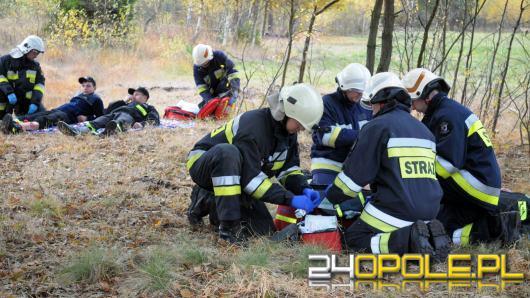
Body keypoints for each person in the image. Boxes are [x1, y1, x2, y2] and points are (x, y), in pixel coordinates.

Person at [325, 72, 451, 261]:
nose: (371, 110)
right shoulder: (425, 131)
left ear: (381, 101)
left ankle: (408, 241)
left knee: (353, 240)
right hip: (430, 211)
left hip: (397, 209)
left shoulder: (377, 127)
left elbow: (352, 180)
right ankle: (426, 238)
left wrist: (328, 198)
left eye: (372, 104)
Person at [186, 83, 323, 244]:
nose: (300, 129)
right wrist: (290, 199)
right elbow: (251, 181)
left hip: (239, 175)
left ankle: (214, 201)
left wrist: (303, 188)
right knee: (228, 153)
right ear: (286, 113)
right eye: (299, 124)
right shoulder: (254, 127)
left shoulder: (288, 133)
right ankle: (227, 225)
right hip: (204, 165)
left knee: (262, 231)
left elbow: (288, 169)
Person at [402, 68, 520, 246]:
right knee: (438, 218)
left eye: (412, 100)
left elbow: (447, 165)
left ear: (424, 95)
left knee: (434, 223)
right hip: (478, 184)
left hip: (476, 187)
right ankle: (485, 228)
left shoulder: (447, 117)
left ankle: (491, 231)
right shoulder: (443, 111)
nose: (411, 106)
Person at [274, 63, 372, 229]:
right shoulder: (326, 104)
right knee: (327, 204)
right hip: (329, 165)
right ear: (344, 87)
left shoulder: (364, 107)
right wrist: (363, 136)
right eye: (356, 90)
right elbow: (325, 137)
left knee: (360, 202)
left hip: (355, 166)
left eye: (362, 91)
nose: (360, 94)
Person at [0, 76, 103, 134]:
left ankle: (17, 128)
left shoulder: (96, 99)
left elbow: (100, 118)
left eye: (88, 86)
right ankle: (9, 123)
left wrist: (87, 117)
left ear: (94, 87)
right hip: (58, 110)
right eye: (83, 85)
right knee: (36, 115)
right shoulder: (79, 96)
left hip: (66, 117)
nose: (85, 87)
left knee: (43, 120)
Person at [57, 87, 159, 136]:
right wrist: (124, 101)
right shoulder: (125, 103)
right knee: (98, 121)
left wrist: (142, 124)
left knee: (121, 121)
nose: (133, 96)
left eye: (137, 94)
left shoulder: (148, 107)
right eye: (133, 94)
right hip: (112, 114)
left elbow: (155, 120)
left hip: (129, 116)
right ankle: (76, 131)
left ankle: (110, 131)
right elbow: (109, 109)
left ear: (145, 97)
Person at [0, 35, 46, 118]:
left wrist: (35, 102)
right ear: (27, 48)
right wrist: (9, 92)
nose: (36, 56)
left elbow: (40, 85)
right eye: (35, 52)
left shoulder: (35, 66)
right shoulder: (5, 61)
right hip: (6, 98)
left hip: (25, 102)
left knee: (42, 116)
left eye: (38, 53)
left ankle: (21, 121)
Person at [192, 44, 240, 109]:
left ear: (209, 56)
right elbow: (201, 88)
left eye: (205, 62)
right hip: (211, 94)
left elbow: (232, 72)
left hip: (226, 89)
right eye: (202, 64)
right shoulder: (197, 69)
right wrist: (210, 101)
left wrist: (235, 89)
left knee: (227, 106)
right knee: (204, 108)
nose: (204, 64)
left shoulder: (219, 56)